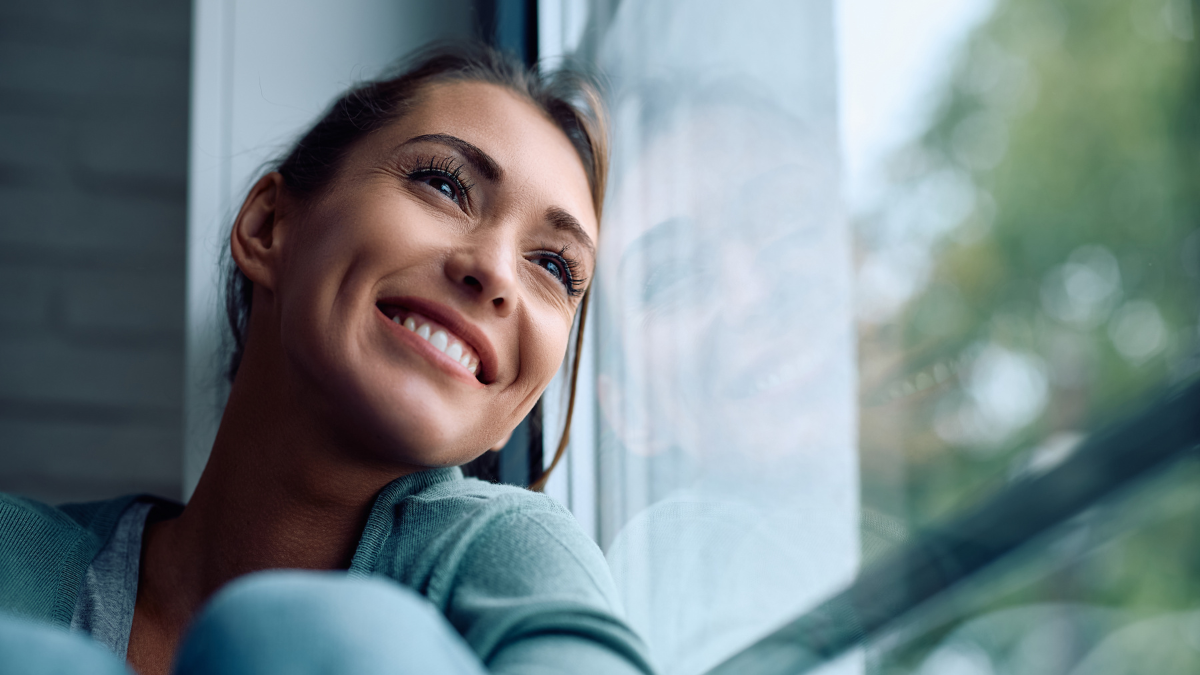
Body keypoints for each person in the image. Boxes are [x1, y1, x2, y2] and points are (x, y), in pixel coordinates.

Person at [0, 43, 653, 675]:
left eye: (552, 266)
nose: (494, 271)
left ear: (523, 403)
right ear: (267, 227)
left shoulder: (516, 553)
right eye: (444, 185)